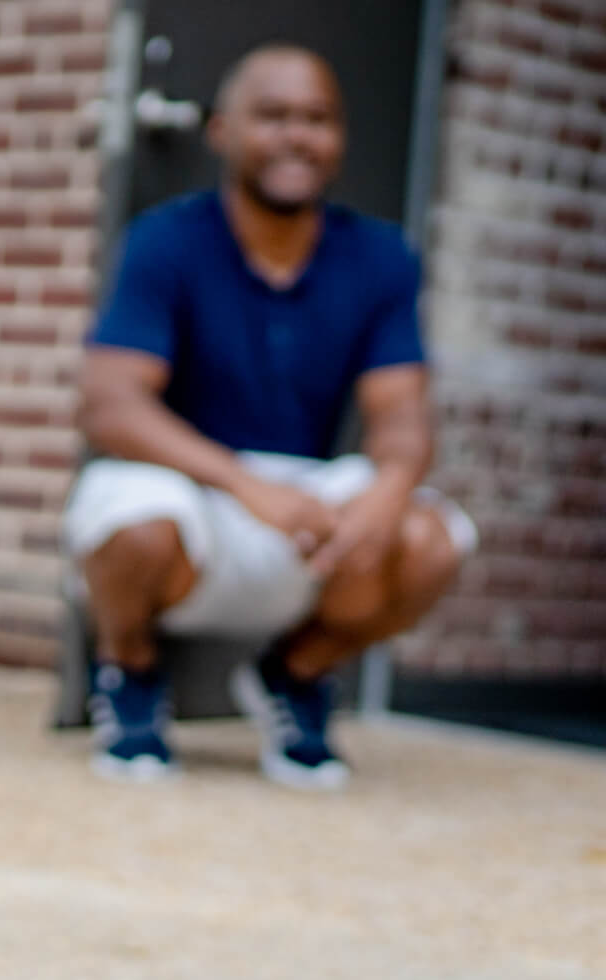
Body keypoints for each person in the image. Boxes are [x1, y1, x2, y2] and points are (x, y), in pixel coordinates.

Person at [66, 42, 475, 789]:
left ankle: (295, 674)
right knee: (134, 524)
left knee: (432, 538)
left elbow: (403, 419)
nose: (297, 136)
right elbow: (111, 407)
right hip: (189, 488)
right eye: (274, 115)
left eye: (317, 119)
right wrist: (245, 486)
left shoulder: (381, 258)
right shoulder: (166, 241)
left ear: (339, 139)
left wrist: (384, 498)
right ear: (222, 131)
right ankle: (128, 672)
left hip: (305, 506)